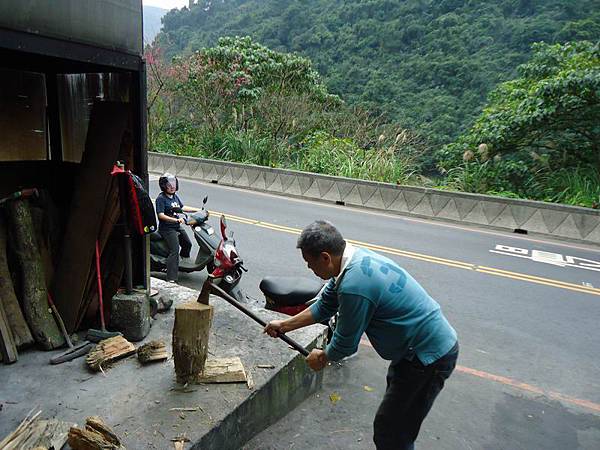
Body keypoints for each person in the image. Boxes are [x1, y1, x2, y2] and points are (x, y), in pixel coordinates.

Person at [264, 220, 458, 450]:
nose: (309, 268)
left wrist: (323, 357)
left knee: (392, 432)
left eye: (309, 262)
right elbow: (325, 305)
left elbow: (346, 343)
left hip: (427, 357)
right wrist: (285, 325)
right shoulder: (352, 261)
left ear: (325, 257)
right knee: (395, 425)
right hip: (412, 353)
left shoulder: (354, 284)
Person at [155, 173, 197, 283]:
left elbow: (182, 207)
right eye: (169, 185)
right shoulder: (161, 198)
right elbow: (160, 215)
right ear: (164, 186)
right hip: (167, 229)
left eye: (173, 184)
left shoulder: (174, 196)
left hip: (177, 226)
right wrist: (176, 220)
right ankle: (171, 278)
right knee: (174, 250)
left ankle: (182, 265)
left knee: (187, 244)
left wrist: (197, 210)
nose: (172, 186)